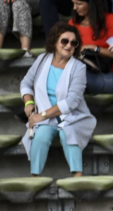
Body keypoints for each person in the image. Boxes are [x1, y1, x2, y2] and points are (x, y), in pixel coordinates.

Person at [20, 23, 96, 178]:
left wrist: (42, 115)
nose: (69, 45)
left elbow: (72, 101)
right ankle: (35, 177)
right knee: (40, 136)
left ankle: (78, 175)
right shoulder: (42, 59)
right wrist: (28, 102)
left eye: (73, 43)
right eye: (64, 41)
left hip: (71, 116)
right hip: (46, 118)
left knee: (68, 133)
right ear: (55, 42)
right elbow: (26, 83)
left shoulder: (79, 67)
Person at [69, 0, 113, 94]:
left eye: (79, 4)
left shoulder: (109, 20)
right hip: (78, 71)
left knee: (69, 79)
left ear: (92, 4)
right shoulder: (73, 23)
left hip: (104, 75)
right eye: (73, 3)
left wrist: (94, 48)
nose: (74, 8)